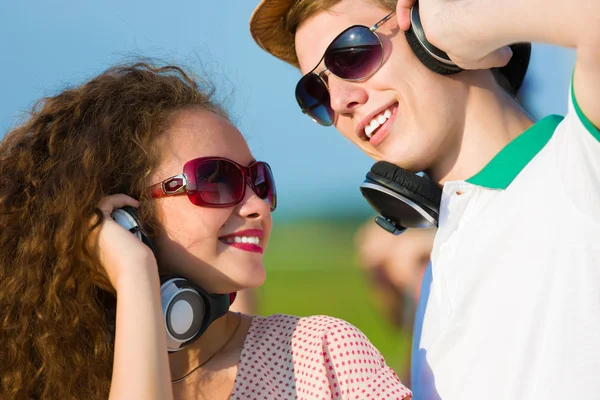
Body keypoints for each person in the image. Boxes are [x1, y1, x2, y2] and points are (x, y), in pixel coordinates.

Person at [249, 0, 600, 399]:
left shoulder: (580, 157)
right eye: (315, 90)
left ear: (422, 26)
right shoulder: (439, 259)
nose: (339, 100)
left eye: (351, 53)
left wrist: (461, 19)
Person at [0, 61, 412, 400]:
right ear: (129, 217)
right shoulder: (43, 380)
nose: (256, 205)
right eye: (217, 181)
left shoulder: (322, 357)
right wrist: (134, 272)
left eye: (259, 180)